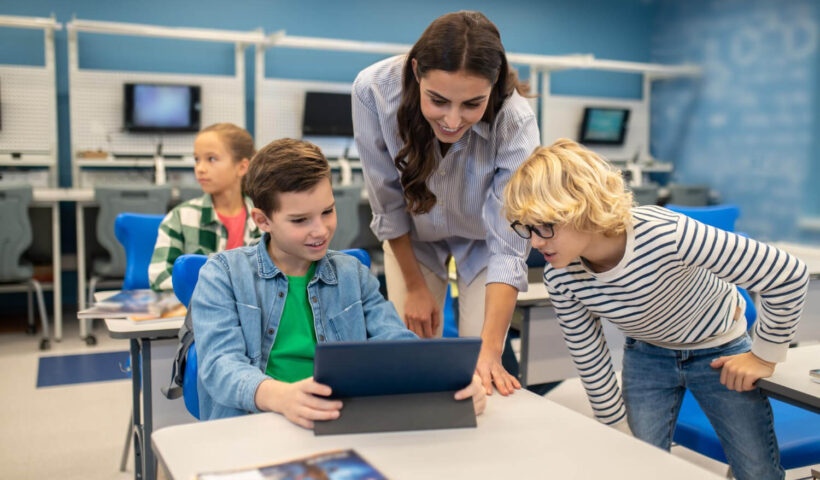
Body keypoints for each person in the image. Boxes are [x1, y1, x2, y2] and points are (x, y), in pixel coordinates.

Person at [503, 138, 809, 480]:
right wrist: (614, 425)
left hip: (721, 350)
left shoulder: (668, 234)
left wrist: (765, 356)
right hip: (647, 355)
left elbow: (787, 274)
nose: (535, 242)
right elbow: (589, 355)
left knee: (756, 469)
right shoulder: (562, 276)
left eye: (545, 226)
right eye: (526, 228)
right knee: (639, 463)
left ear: (585, 209)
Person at [191, 138, 486, 426]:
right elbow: (220, 367)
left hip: (337, 421)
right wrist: (283, 397)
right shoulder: (222, 274)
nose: (320, 230)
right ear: (263, 220)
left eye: (327, 211)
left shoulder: (352, 274)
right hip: (254, 425)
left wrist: (447, 382)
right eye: (300, 220)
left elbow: (396, 347)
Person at [352, 11, 540, 395]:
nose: (452, 120)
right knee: (415, 358)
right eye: (438, 100)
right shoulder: (372, 90)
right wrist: (415, 287)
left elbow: (509, 243)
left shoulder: (516, 118)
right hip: (414, 237)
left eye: (472, 104)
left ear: (493, 85)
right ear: (417, 71)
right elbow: (386, 202)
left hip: (484, 239)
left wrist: (489, 352)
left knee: (482, 363)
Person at [149, 122, 261, 291]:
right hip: (198, 314)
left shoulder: (264, 221)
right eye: (197, 159)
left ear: (242, 167)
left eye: (212, 159)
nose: (200, 168)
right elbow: (159, 277)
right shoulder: (179, 218)